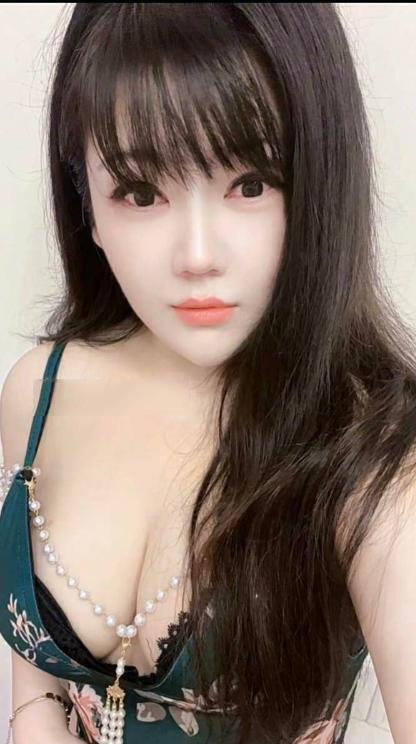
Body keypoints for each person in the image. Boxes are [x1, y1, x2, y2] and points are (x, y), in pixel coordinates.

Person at [1, 3, 416, 743]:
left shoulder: (376, 455)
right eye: (140, 191)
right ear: (86, 205)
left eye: (251, 183)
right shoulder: (39, 389)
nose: (197, 255)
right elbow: (36, 685)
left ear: (320, 180)